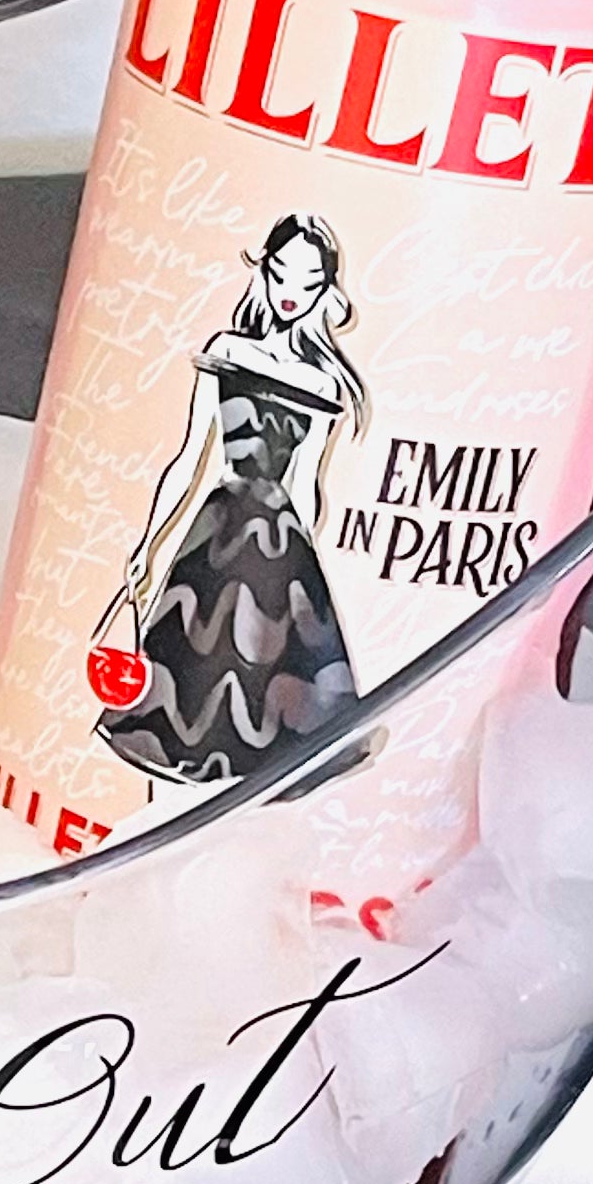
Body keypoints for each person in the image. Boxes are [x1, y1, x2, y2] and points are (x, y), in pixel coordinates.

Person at [95, 211, 364, 788]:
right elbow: (191, 457)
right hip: (217, 532)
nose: (290, 293)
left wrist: (305, 576)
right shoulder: (228, 352)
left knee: (268, 694)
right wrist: (151, 542)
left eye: (308, 282)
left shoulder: (323, 384)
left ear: (325, 290)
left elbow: (307, 482)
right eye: (281, 274)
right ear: (263, 271)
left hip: (280, 547)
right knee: (187, 681)